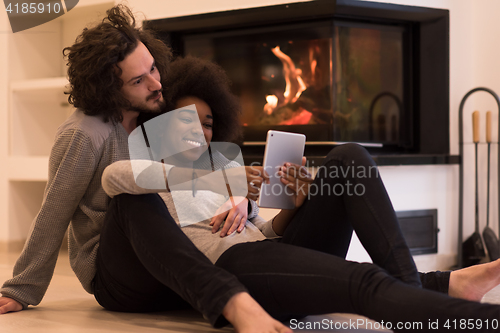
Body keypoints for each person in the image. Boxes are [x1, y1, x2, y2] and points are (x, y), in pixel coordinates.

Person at [102, 56, 500, 332]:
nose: (200, 131)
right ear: (161, 125)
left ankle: (416, 297)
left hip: (266, 254)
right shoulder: (152, 174)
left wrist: (298, 203)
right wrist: (221, 182)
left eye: (207, 123)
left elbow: (266, 230)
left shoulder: (224, 166)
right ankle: (460, 314)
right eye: (186, 119)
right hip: (233, 266)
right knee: (362, 282)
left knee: (349, 157)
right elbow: (114, 178)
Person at [0, 6, 261, 330]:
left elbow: (203, 168)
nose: (156, 84)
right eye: (139, 79)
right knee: (131, 196)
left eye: (154, 68)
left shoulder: (153, 115)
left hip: (170, 257)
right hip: (117, 274)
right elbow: (54, 211)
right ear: (109, 88)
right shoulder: (84, 134)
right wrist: (21, 289)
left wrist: (238, 195)